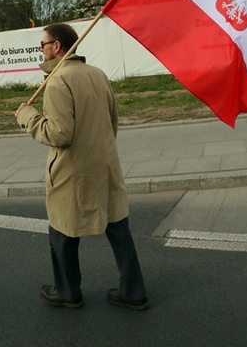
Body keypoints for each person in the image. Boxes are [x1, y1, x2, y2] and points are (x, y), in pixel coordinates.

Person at [15, 22, 148, 310]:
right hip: (106, 167)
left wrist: (28, 116)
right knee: (118, 228)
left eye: (43, 45)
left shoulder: (58, 81)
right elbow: (113, 122)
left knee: (63, 231)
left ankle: (67, 291)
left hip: (72, 173)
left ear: (57, 47)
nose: (42, 49)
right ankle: (134, 291)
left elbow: (58, 134)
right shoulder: (98, 74)